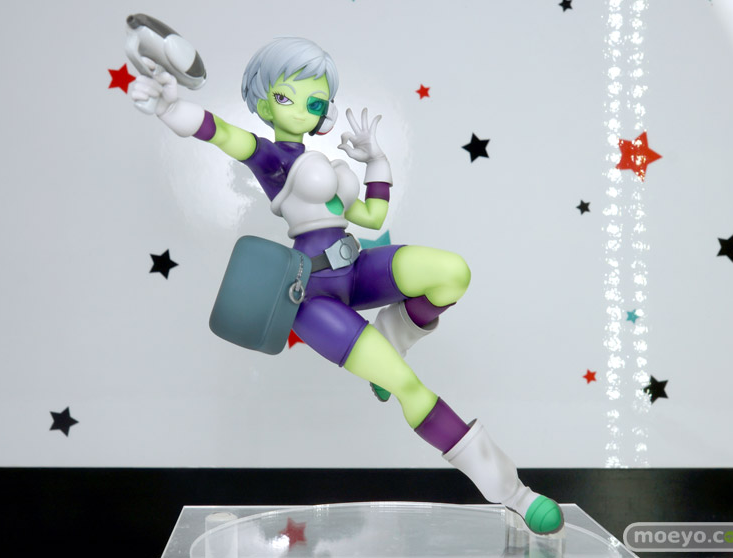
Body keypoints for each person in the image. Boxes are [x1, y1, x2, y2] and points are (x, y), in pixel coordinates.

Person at [130, 36, 564, 535]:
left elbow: (372, 216)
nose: (301, 110)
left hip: (355, 269)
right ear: (266, 103)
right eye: (286, 97)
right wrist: (171, 110)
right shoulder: (273, 160)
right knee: (407, 386)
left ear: (326, 113)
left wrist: (375, 160)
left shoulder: (330, 167)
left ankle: (395, 336)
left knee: (452, 273)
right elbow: (223, 134)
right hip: (312, 297)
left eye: (315, 103)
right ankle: (514, 493)